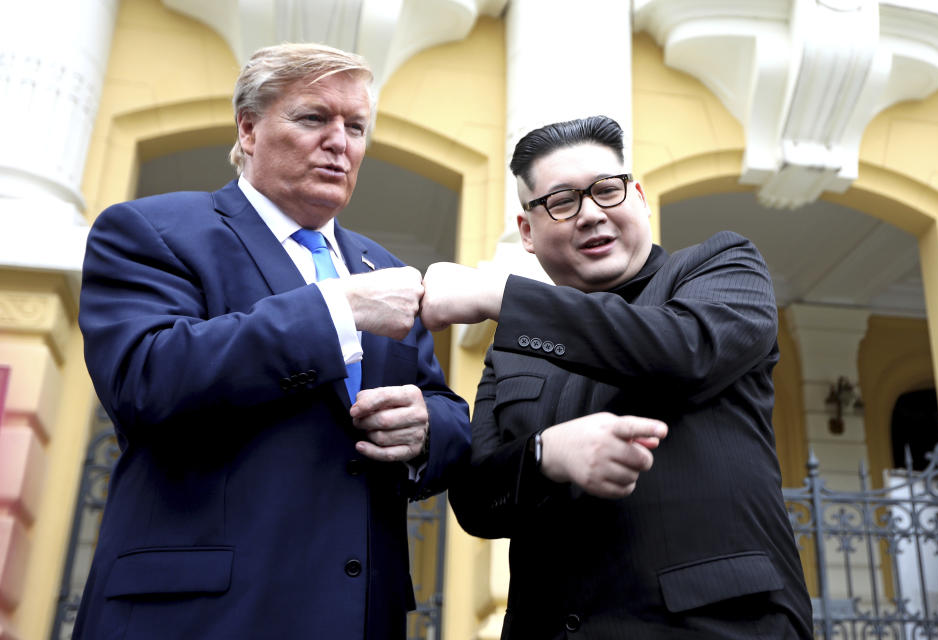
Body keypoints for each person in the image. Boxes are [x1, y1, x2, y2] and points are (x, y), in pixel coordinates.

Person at [74, 43, 470, 639]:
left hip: (357, 616)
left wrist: (426, 431)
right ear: (250, 129)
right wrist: (340, 307)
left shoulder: (382, 268)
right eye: (314, 118)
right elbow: (146, 378)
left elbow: (447, 412)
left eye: (356, 126)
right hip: (196, 618)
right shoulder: (152, 230)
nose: (340, 141)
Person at [421, 115, 814, 639]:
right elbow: (476, 503)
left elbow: (684, 350)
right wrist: (546, 456)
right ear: (527, 232)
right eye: (562, 202)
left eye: (607, 190)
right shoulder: (511, 349)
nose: (590, 214)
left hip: (718, 627)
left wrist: (500, 294)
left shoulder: (721, 266)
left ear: (640, 197)